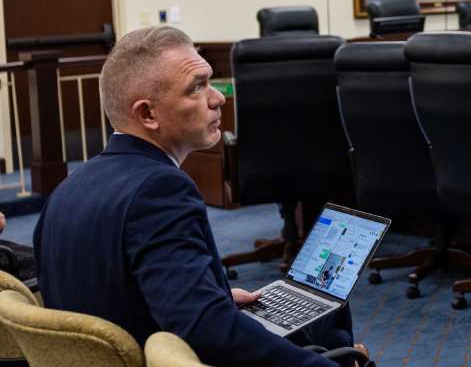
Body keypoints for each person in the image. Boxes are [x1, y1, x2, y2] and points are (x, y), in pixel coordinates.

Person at [33, 26, 366, 367]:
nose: (218, 98)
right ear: (147, 114)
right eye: (197, 87)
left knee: (323, 319)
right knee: (335, 344)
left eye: (210, 80)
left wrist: (213, 296)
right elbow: (208, 331)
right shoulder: (159, 190)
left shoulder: (67, 188)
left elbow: (113, 290)